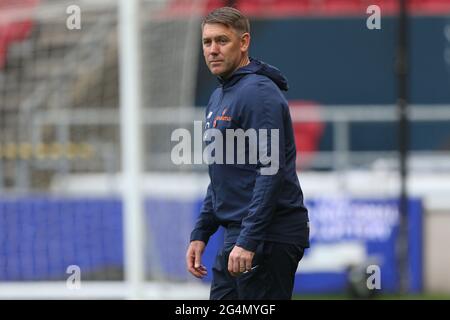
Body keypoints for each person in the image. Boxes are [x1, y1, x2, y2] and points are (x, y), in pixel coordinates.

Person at [185, 7, 310, 300]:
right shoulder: (219, 95)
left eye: (222, 41)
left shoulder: (258, 93)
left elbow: (271, 169)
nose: (213, 50)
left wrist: (250, 239)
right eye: (207, 42)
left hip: (266, 235)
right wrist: (201, 232)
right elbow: (222, 174)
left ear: (243, 43)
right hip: (239, 234)